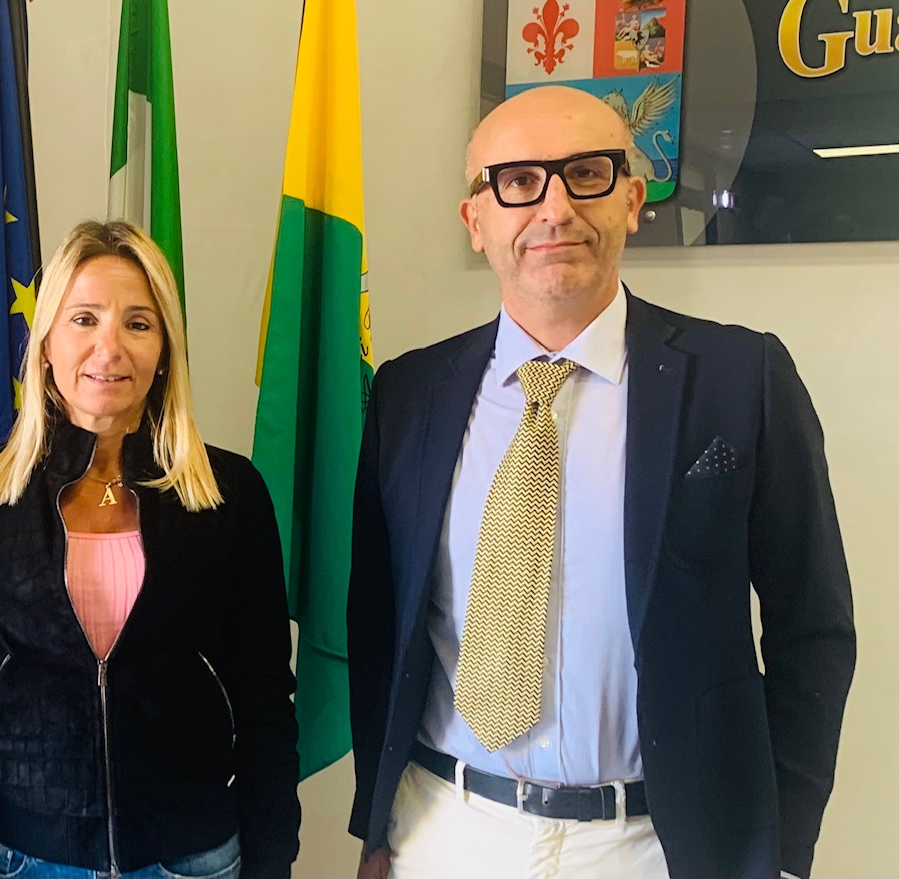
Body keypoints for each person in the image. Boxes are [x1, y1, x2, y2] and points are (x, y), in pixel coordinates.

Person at [348, 86, 855, 879]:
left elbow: (812, 627)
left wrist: (783, 850)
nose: (555, 209)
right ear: (475, 220)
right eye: (519, 181)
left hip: (656, 845)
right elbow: (378, 621)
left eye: (586, 173)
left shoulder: (741, 378)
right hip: (445, 827)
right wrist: (377, 823)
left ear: (632, 199)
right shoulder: (408, 393)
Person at [0, 220, 301, 879]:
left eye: (138, 323)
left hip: (193, 857)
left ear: (165, 350)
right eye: (84, 319)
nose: (109, 347)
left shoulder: (230, 493)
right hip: (32, 858)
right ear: (46, 344)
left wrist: (273, 863)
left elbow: (265, 698)